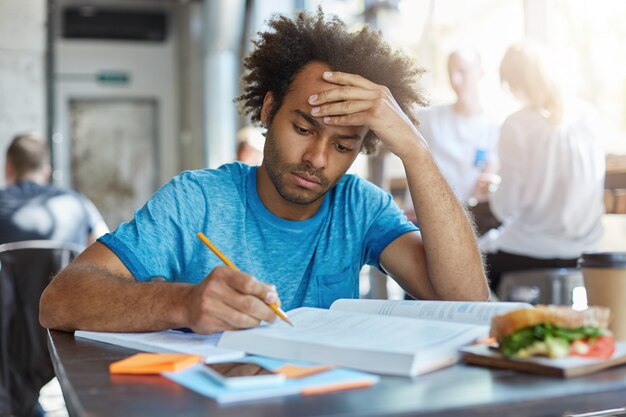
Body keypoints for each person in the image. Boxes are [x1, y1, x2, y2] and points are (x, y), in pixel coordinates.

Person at [40, 9, 488, 335]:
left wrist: (415, 150)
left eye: (343, 145)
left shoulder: (360, 207)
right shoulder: (198, 200)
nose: (317, 157)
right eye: (302, 127)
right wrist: (184, 302)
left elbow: (467, 302)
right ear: (270, 109)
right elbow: (60, 300)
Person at [481, 42, 605, 292]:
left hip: (534, 250)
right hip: (587, 250)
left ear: (515, 85)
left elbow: (505, 208)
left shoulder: (517, 124)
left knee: (466, 259)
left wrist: (494, 189)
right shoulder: (589, 116)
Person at [404, 49, 500, 219]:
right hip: (424, 217)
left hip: (469, 219)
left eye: (463, 71)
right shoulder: (429, 118)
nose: (455, 80)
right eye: (451, 72)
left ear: (480, 72)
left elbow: (491, 172)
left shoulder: (495, 126)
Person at [0, 133, 108, 247]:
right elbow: (106, 247)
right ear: (47, 171)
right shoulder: (78, 202)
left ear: (8, 168)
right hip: (65, 265)